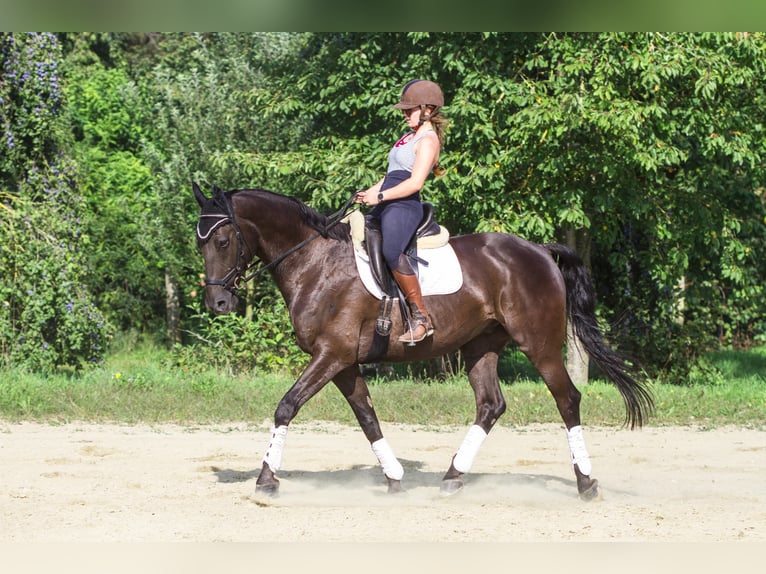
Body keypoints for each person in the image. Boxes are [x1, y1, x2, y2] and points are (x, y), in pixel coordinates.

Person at [355, 79, 447, 344]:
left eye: (410, 110)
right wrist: (368, 193)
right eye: (404, 110)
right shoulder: (406, 138)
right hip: (387, 199)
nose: (405, 114)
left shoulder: (427, 141)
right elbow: (390, 176)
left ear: (428, 109)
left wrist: (379, 196)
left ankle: (420, 318)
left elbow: (414, 183)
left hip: (405, 205)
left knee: (391, 250)